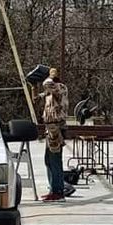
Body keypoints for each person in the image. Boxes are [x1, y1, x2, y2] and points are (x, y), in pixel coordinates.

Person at [39, 66, 71, 200]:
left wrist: (49, 76)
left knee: (54, 160)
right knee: (49, 159)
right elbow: (44, 93)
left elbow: (47, 84)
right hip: (51, 127)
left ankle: (57, 190)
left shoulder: (60, 88)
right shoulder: (52, 92)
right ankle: (53, 188)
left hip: (56, 127)